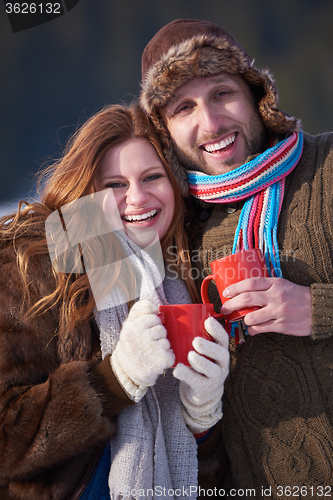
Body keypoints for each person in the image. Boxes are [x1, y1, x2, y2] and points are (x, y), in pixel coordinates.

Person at [139, 18, 333, 497]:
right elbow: (65, 229)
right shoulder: (167, 223)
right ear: (163, 129)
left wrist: (319, 310)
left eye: (222, 93)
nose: (211, 123)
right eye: (184, 107)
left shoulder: (326, 167)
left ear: (254, 94)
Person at [0, 103, 230, 500]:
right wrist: (116, 379)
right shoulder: (36, 260)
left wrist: (203, 417)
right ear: (87, 189)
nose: (137, 198)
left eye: (152, 177)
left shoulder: (177, 277)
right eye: (115, 185)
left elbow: (204, 480)